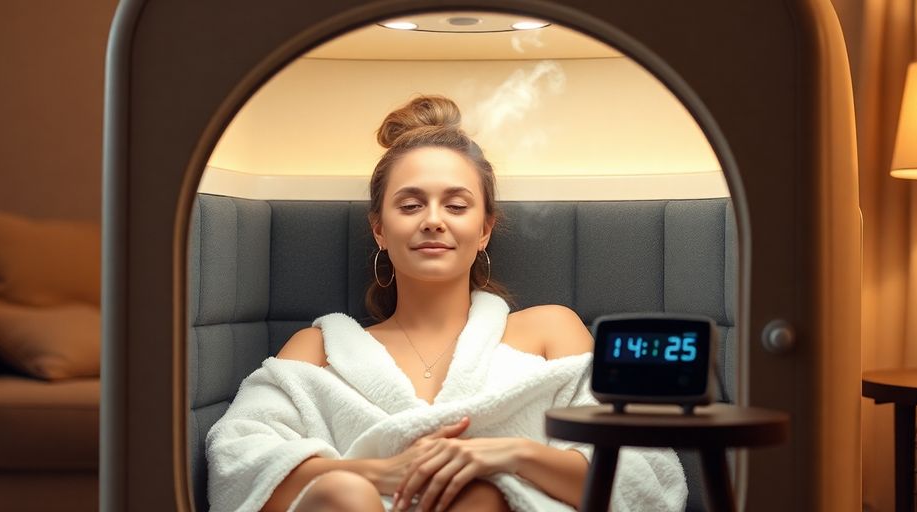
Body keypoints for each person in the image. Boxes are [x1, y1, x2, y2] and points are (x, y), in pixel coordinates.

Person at [206, 95, 687, 512]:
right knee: (341, 496)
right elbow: (238, 462)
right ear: (380, 229)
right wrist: (376, 474)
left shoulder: (548, 331)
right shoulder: (320, 348)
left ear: (484, 230)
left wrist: (509, 456)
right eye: (411, 205)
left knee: (476, 497)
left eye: (456, 206)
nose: (433, 220)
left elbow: (639, 466)